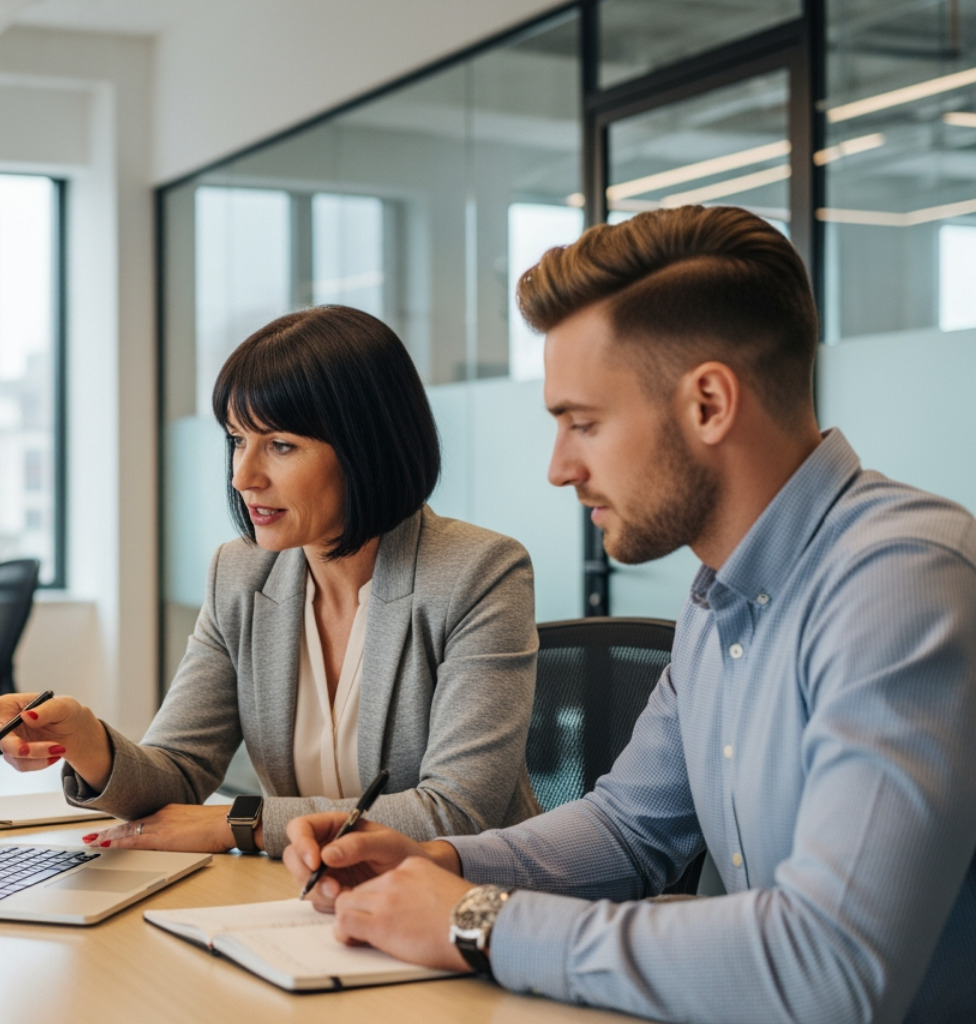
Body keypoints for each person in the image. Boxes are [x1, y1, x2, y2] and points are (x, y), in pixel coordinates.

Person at [281, 207, 976, 1023]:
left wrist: (477, 921)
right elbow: (627, 830)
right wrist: (431, 863)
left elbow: (829, 966)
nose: (558, 468)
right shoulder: (721, 596)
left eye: (583, 422)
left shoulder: (899, 581)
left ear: (709, 403)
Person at [0, 305, 541, 858]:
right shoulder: (241, 573)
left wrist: (236, 823)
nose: (243, 475)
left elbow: (454, 813)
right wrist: (86, 738)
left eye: (279, 445)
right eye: (236, 440)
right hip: (307, 899)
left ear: (367, 448)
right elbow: (179, 770)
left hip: (458, 910)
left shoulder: (478, 572)